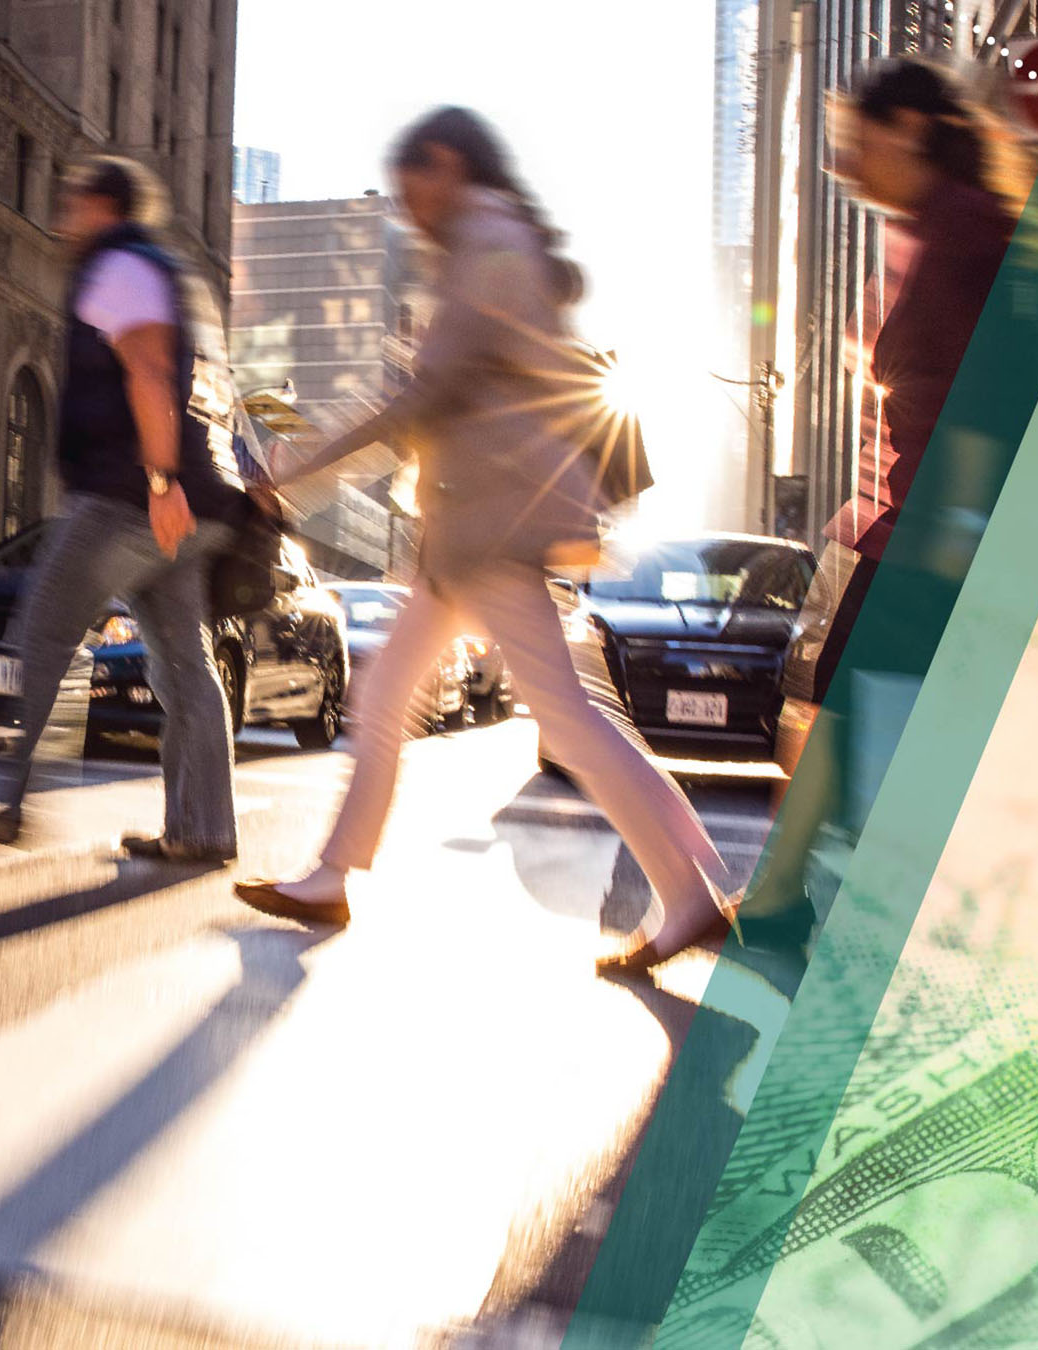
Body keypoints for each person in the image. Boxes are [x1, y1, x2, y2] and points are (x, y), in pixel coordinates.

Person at [233, 108, 739, 976]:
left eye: (411, 185)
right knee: (390, 699)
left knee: (566, 722)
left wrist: (294, 466)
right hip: (468, 529)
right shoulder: (486, 244)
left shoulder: (487, 245)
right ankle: (333, 874)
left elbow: (422, 402)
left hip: (491, 532)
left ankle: (694, 893)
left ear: (450, 166)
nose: (407, 206)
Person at [753, 59, 1028, 918]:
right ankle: (778, 896)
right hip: (907, 517)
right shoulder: (932, 228)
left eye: (855, 141)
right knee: (836, 698)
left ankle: (802, 902)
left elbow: (985, 388)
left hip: (937, 522)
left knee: (867, 712)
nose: (842, 164)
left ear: (910, 128)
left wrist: (958, 529)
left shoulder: (965, 229)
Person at [0, 156, 243, 864]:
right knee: (184, 668)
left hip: (127, 498)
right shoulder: (163, 271)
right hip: (183, 500)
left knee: (43, 631)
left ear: (103, 206)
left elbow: (148, 371)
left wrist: (161, 482)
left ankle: (14, 806)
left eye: (72, 201)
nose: (63, 215)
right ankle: (203, 830)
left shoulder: (121, 265)